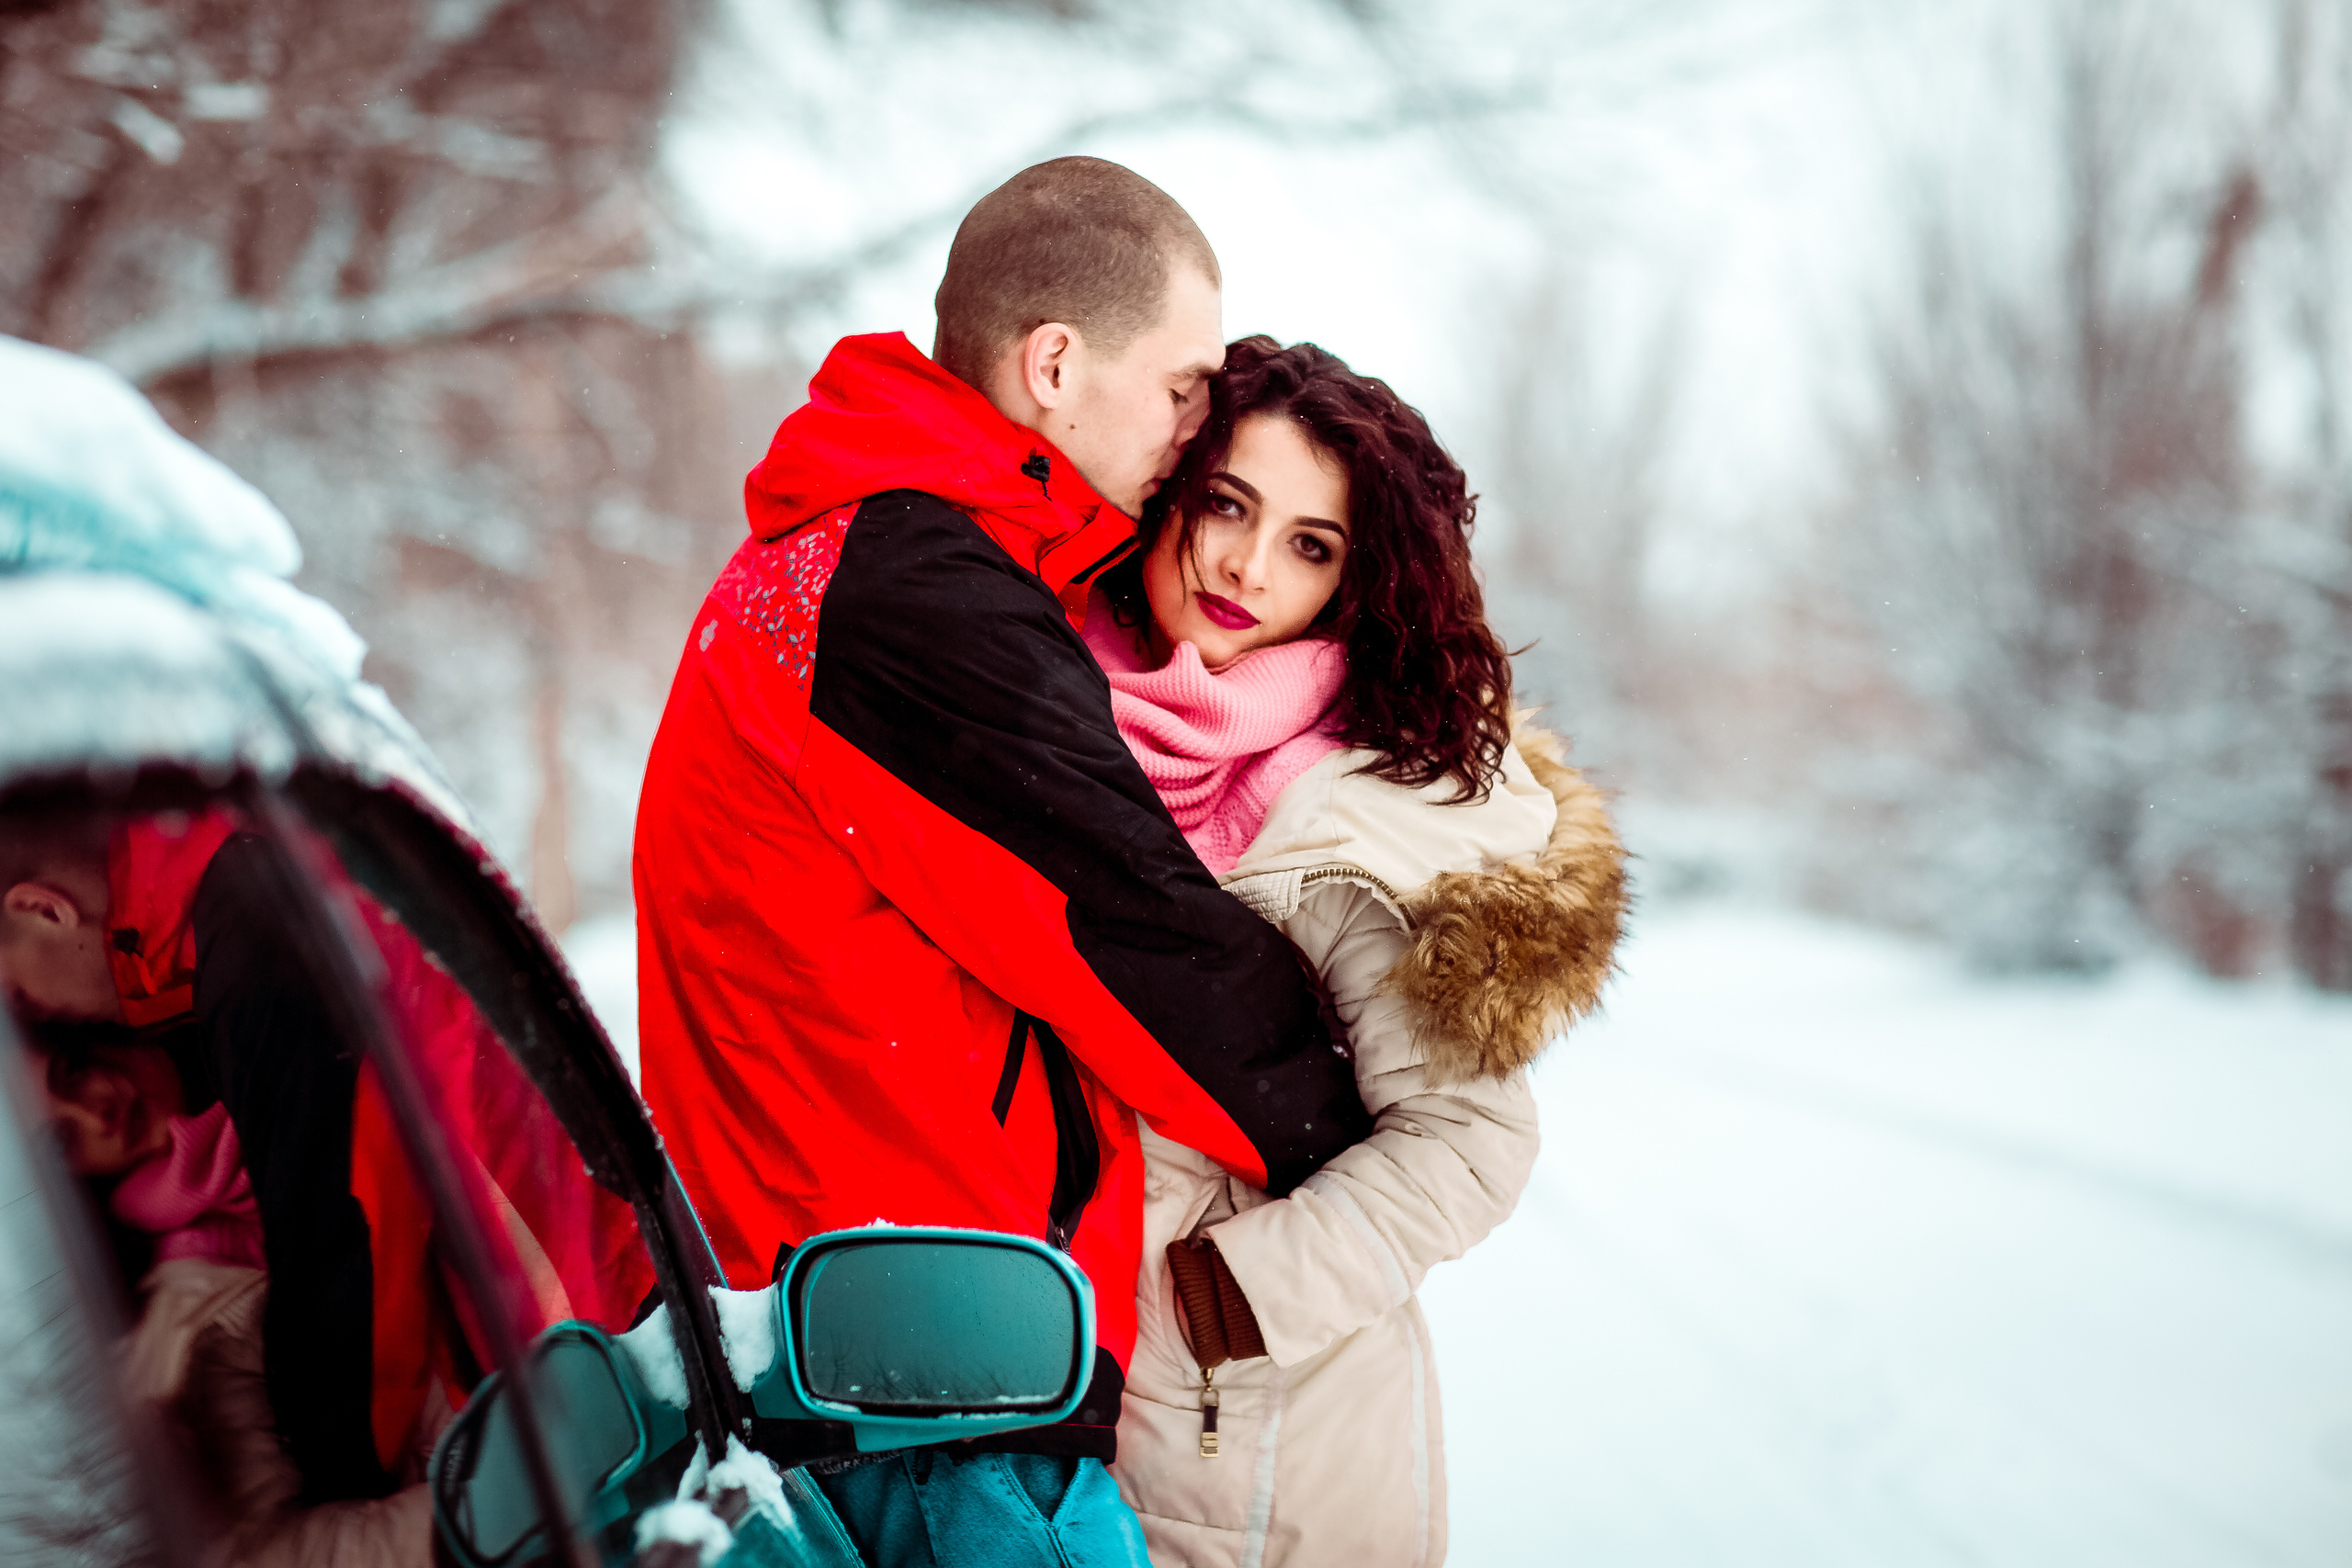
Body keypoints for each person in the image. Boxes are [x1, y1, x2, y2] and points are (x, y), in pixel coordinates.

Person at [633, 158, 1372, 1566]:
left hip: (869, 1357)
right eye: (1180, 385)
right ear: (1052, 363)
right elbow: (1130, 933)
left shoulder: (847, 562)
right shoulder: (914, 598)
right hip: (940, 1408)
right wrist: (1362, 1132)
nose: (1193, 425)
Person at [1085, 337, 1626, 1566]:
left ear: (1349, 583)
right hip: (1080, 1403)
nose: (1244, 563)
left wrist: (1214, 1303)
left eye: (1308, 544)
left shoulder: (1354, 813)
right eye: (1229, 503)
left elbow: (1472, 1139)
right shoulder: (1055, 709)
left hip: (1268, 1432)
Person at [2, 808, 650, 1564]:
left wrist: (350, 1475)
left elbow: (353, 1255)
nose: (48, 1023)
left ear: (43, 910)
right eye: (62, 1139)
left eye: (25, 1004)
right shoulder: (243, 874)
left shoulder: (245, 927)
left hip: (589, 1373)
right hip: (574, 1386)